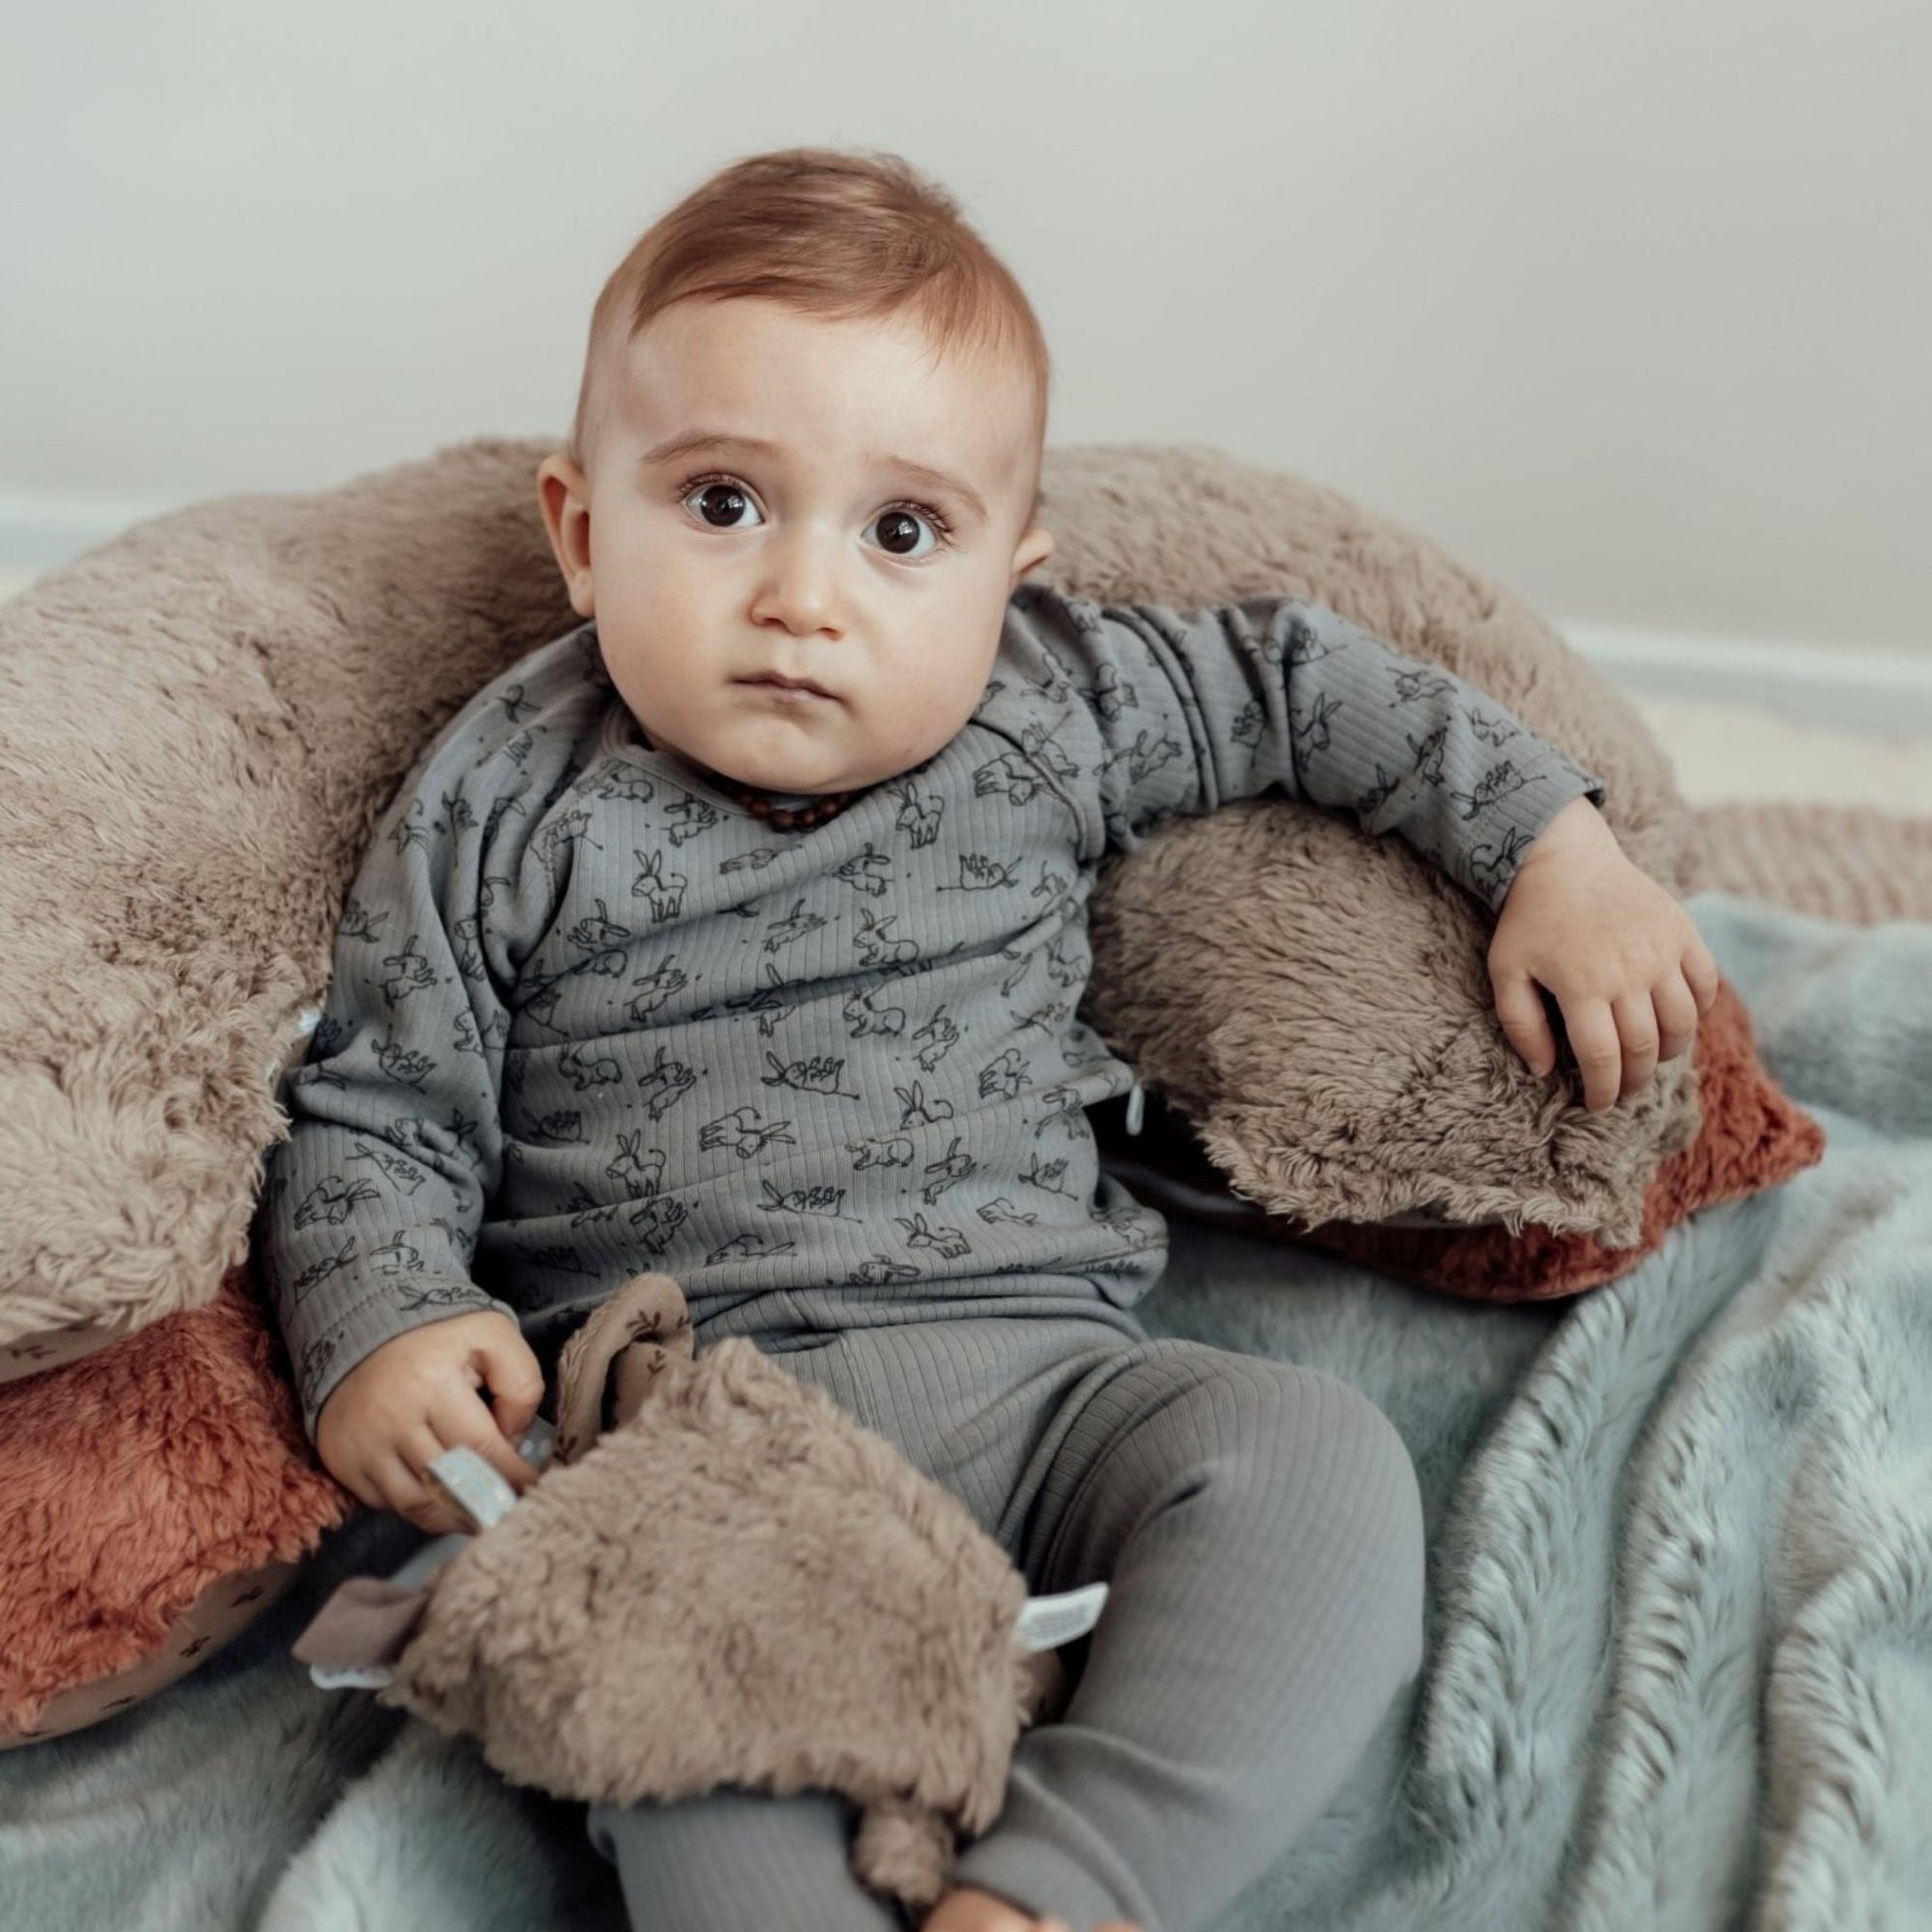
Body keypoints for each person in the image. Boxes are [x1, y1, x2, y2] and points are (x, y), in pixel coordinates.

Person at [253, 146, 1720, 1932]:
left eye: (899, 533)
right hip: (704, 1465)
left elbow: (1307, 685)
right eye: (722, 503)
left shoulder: (1052, 702)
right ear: (580, 528)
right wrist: (383, 1323)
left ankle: (1066, 1883)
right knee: (684, 1753)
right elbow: (376, 1101)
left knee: (1315, 1472)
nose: (805, 594)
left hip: (1047, 1393)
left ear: (1007, 576)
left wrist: (1552, 851)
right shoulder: (506, 789)